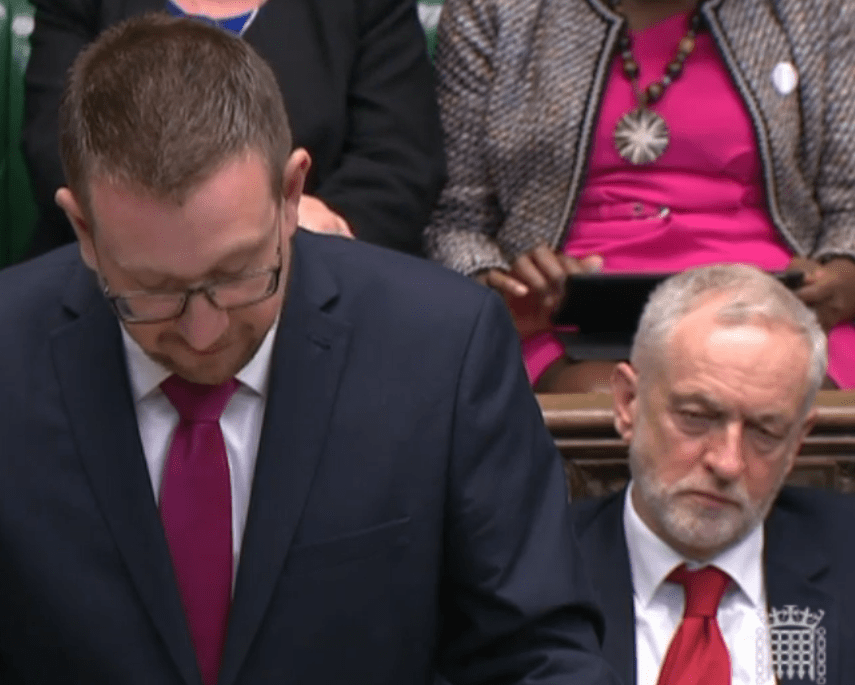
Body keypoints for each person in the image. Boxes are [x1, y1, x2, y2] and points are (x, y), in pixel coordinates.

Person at [0, 14, 619, 685]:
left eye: (239, 274)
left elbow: (533, 651)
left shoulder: (441, 348)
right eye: (151, 291)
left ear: (292, 192)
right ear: (83, 228)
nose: (204, 330)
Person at [425, 0, 855, 392]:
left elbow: (849, 206)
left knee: (786, 394)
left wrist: (843, 273)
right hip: (561, 316)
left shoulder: (815, 10)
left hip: (776, 303)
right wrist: (499, 291)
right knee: (607, 401)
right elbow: (456, 220)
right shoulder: (495, 12)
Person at [571, 263, 855, 685]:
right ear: (629, 403)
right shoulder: (536, 568)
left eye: (765, 432)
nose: (727, 463)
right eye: (696, 418)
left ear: (797, 441)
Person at [23, 0, 445, 257]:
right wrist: (166, 231)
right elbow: (56, 142)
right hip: (121, 266)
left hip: (315, 265)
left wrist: (277, 237)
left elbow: (399, 161)